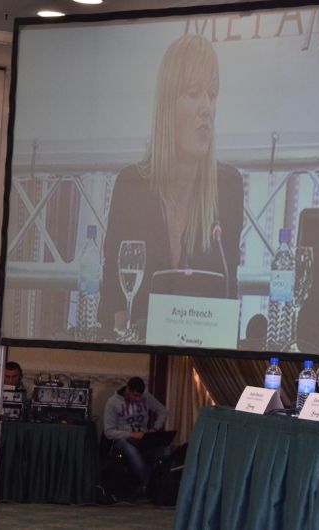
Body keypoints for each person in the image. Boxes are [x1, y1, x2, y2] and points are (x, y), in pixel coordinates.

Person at [99, 34, 244, 335]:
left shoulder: (227, 187)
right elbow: (113, 297)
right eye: (193, 94)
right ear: (167, 105)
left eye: (212, 95)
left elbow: (228, 296)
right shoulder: (132, 185)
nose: (206, 108)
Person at [104, 376, 169, 492]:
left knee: (165, 449)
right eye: (135, 395)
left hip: (144, 437)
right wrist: (132, 434)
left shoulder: (145, 396)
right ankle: (147, 484)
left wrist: (155, 428)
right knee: (131, 450)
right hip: (123, 439)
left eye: (140, 396)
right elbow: (109, 432)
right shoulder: (113, 402)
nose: (138, 399)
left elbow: (162, 410)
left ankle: (162, 483)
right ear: (127, 389)